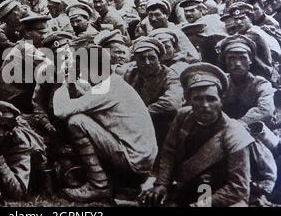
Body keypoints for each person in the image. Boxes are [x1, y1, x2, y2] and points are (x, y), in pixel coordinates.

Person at [53, 45, 157, 202]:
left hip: (134, 160)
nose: (81, 74)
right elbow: (89, 96)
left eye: (82, 69)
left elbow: (60, 111)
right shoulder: (113, 82)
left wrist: (64, 85)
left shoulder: (106, 89)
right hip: (142, 157)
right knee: (84, 119)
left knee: (77, 121)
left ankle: (99, 185)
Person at [141, 63, 254, 207]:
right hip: (188, 186)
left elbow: (238, 188)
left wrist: (199, 205)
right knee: (149, 198)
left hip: (221, 196)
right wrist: (162, 184)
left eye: (211, 99)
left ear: (221, 100)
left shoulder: (235, 134)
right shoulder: (183, 116)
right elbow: (169, 152)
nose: (205, 105)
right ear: (188, 99)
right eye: (198, 99)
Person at [124, 37, 183, 147]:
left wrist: (142, 113)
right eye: (141, 59)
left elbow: (172, 103)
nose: (147, 63)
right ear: (135, 61)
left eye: (151, 58)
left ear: (159, 59)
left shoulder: (170, 76)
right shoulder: (131, 74)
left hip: (163, 127)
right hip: (136, 125)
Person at [219, 35, 276, 126]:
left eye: (243, 58)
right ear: (225, 61)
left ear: (250, 61)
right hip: (222, 129)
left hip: (253, 131)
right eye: (231, 58)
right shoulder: (219, 82)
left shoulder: (261, 84)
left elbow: (265, 111)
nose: (237, 64)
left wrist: (237, 125)